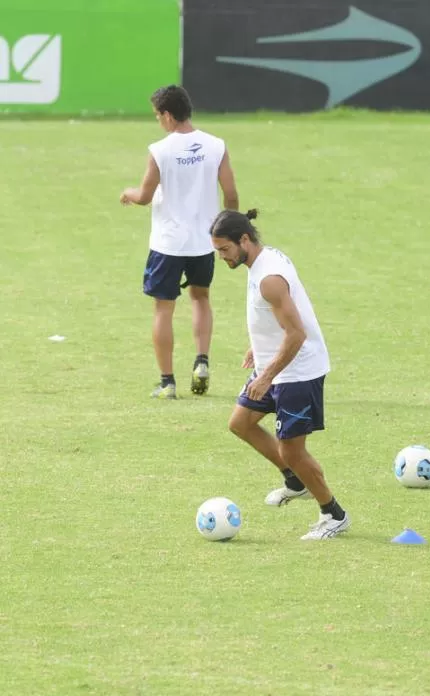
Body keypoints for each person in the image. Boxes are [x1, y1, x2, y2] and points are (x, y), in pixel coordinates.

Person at [210, 209, 350, 541]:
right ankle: (295, 481)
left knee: (292, 450)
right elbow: (276, 319)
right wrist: (257, 346)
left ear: (244, 240)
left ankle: (333, 514)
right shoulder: (259, 261)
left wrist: (267, 375)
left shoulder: (269, 277)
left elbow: (297, 333)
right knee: (240, 423)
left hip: (297, 372)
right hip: (274, 364)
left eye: (224, 250)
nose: (221, 257)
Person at [121, 85, 239, 399]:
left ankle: (167, 381)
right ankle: (201, 361)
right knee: (201, 298)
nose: (159, 121)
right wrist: (228, 232)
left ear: (168, 115)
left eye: (158, 116)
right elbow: (230, 194)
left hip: (168, 243)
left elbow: (145, 197)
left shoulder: (160, 150)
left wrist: (127, 193)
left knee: (164, 309)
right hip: (204, 242)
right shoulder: (216, 145)